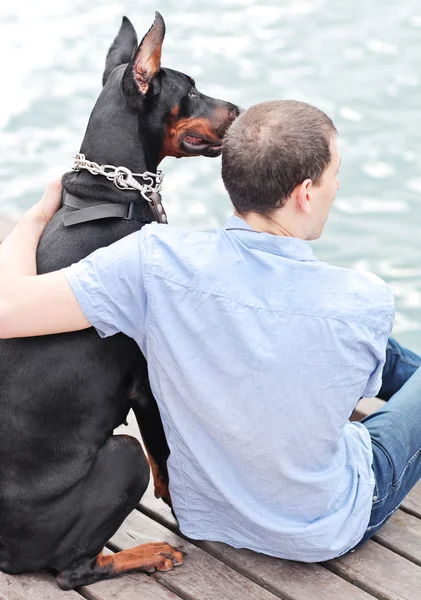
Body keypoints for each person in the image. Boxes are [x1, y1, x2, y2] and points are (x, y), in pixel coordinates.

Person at [1, 99, 420, 561]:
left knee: (383, 348)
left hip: (203, 514)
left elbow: (7, 309)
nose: (336, 187)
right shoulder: (363, 300)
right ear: (305, 193)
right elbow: (346, 398)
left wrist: (37, 216)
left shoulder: (150, 262)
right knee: (387, 365)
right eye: (334, 175)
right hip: (323, 527)